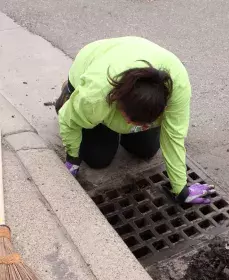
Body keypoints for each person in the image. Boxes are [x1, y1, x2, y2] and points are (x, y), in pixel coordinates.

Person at [55, 36, 214, 204]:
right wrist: (72, 158)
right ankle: (69, 95)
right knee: (98, 159)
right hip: (96, 65)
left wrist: (181, 189)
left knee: (146, 150)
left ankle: (122, 127)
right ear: (119, 101)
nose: (133, 125)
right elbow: (69, 121)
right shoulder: (95, 97)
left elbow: (174, 135)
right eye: (129, 119)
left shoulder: (178, 88)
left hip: (136, 74)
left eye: (142, 123)